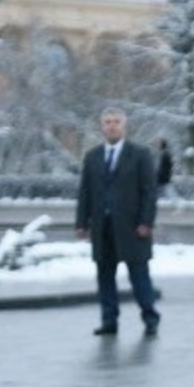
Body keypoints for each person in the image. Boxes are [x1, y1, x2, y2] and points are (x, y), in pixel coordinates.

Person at [74, 108, 160, 337]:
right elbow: (85, 192)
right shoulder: (92, 157)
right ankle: (109, 320)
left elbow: (149, 192)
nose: (112, 126)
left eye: (116, 122)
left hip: (133, 229)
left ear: (124, 126)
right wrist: (82, 222)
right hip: (103, 229)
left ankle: (150, 317)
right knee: (104, 277)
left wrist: (146, 222)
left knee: (139, 276)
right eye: (107, 122)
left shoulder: (140, 154)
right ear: (102, 126)